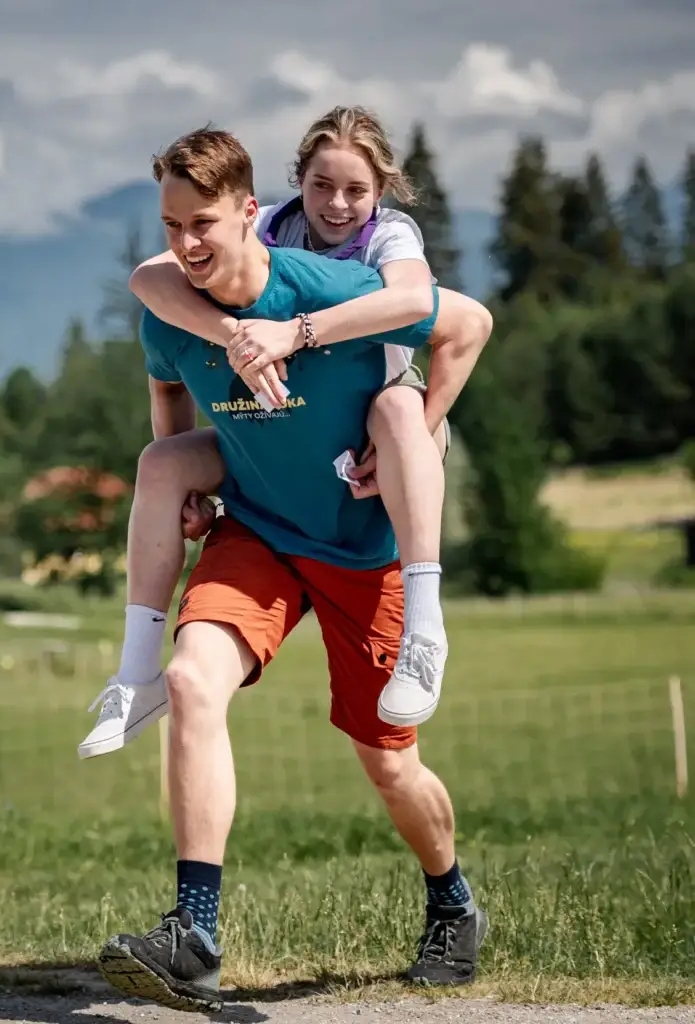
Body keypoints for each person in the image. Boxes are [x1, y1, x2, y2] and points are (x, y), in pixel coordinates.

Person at [94, 126, 488, 1014]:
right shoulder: (185, 286)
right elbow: (161, 347)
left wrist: (410, 434)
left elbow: (461, 321)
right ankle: (194, 935)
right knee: (192, 683)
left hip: (361, 544)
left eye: (201, 224)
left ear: (242, 217)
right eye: (172, 224)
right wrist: (190, 481)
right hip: (261, 530)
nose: (185, 243)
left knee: (388, 765)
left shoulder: (352, 277)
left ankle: (451, 899)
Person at [78, 106, 491, 759]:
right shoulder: (266, 225)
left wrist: (297, 335)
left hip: (390, 417)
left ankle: (424, 629)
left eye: (355, 189)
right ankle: (135, 676)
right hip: (282, 428)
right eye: (321, 185)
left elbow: (422, 308)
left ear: (379, 192)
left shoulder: (388, 239)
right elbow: (149, 280)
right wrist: (235, 337)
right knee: (161, 460)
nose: (335, 203)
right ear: (295, 182)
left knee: (395, 412)